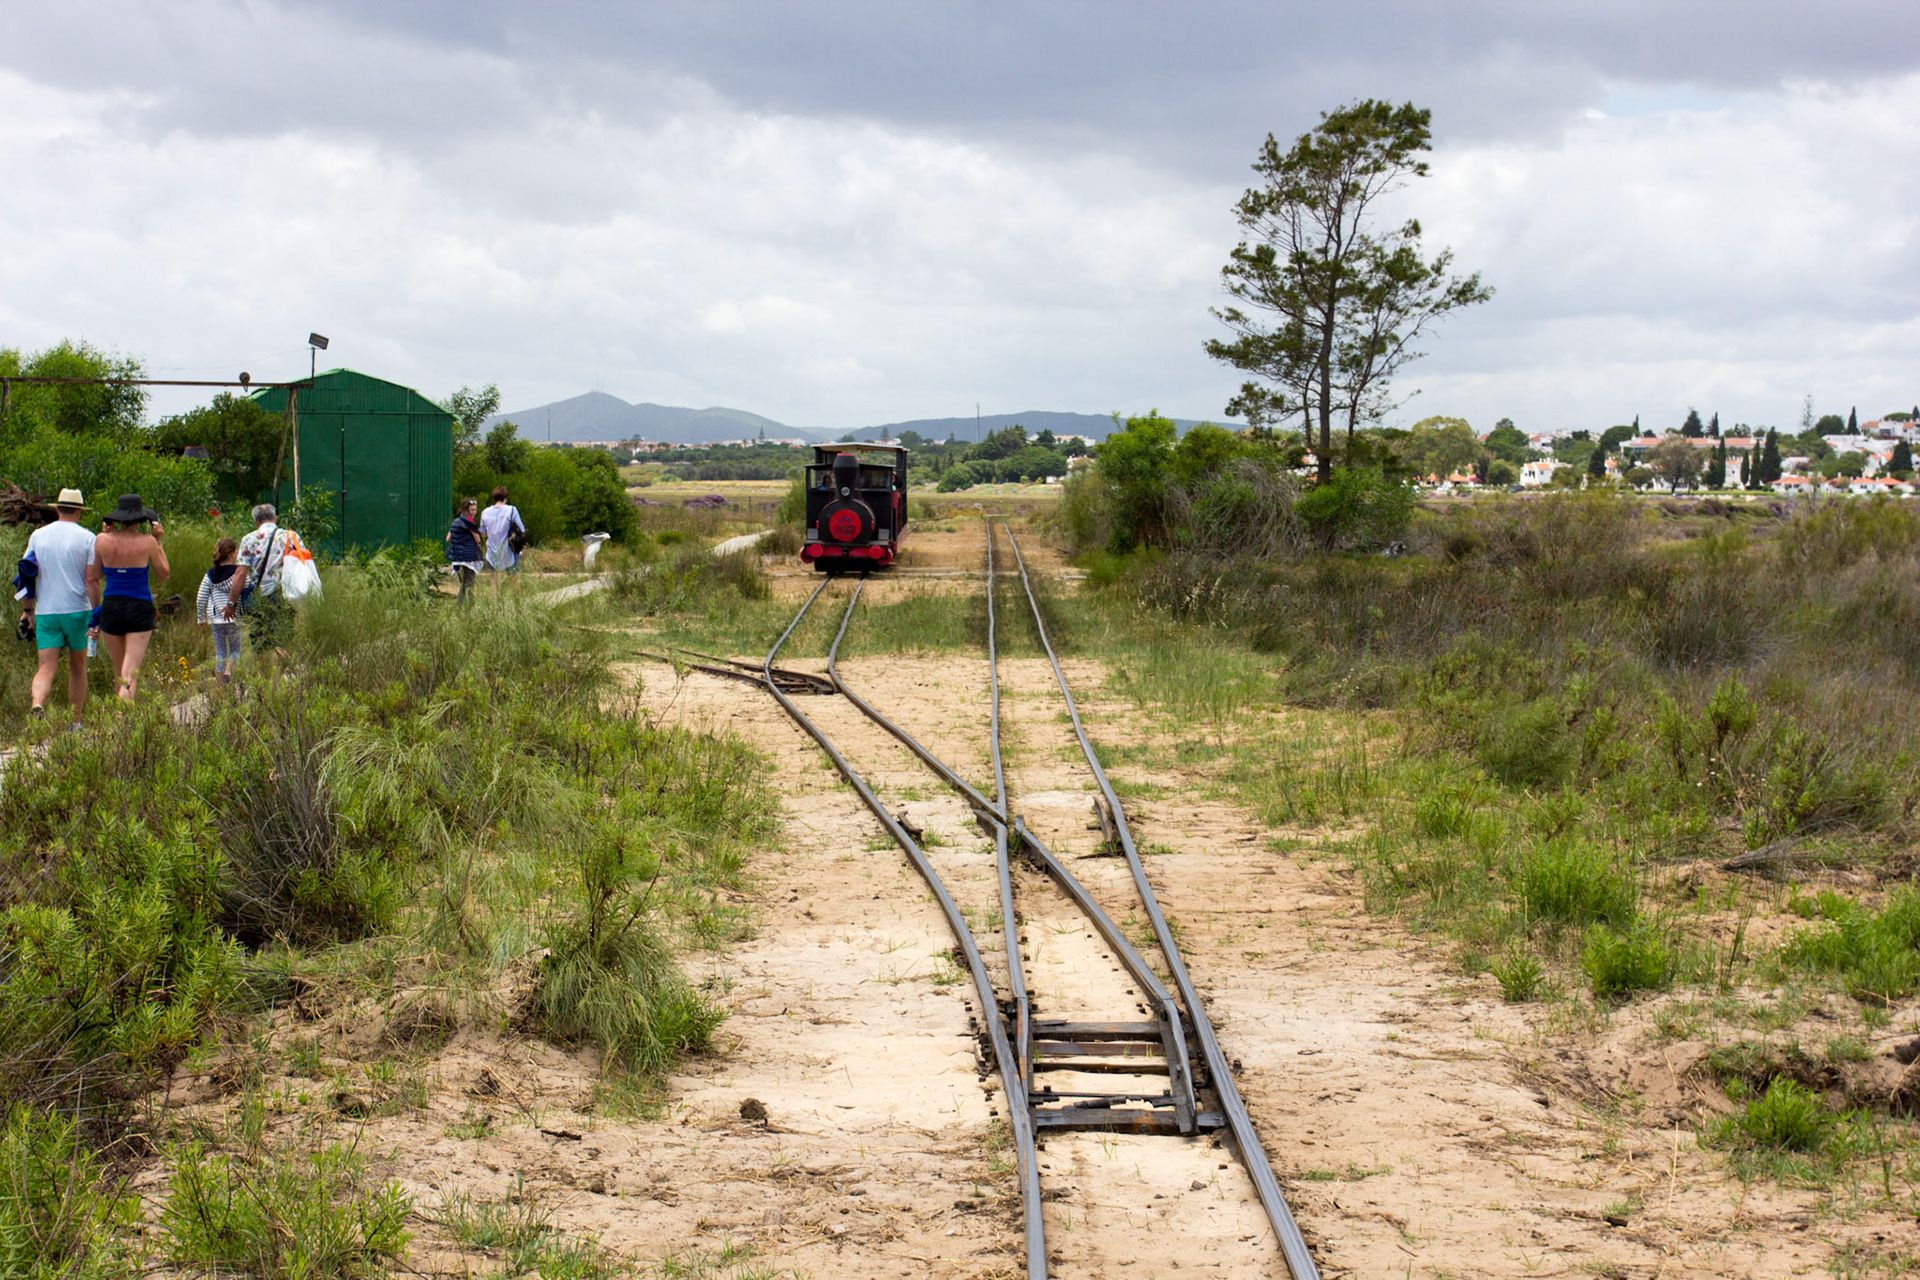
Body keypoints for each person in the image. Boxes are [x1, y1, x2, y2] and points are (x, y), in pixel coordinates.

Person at [23, 488, 99, 725]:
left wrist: (27, 611)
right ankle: (75, 723)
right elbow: (91, 580)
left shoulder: (38, 536)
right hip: (77, 609)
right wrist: (97, 613)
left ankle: (37, 703)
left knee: (45, 667)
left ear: (57, 509)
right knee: (78, 667)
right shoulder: (88, 537)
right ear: (79, 511)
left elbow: (26, 574)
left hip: (47, 611)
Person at [86, 494, 169, 702]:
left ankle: (118, 722)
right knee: (130, 670)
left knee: (119, 668)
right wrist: (159, 542)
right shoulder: (148, 542)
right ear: (141, 519)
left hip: (112, 605)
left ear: (118, 519)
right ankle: (123, 719)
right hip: (139, 605)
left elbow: (97, 574)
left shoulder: (101, 540)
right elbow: (164, 574)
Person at [234, 503, 302, 676]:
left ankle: (265, 683)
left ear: (256, 521)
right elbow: (301, 564)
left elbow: (241, 573)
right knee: (282, 640)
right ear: (275, 518)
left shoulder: (248, 539)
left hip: (257, 597)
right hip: (283, 595)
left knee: (260, 644)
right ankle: (279, 682)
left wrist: (231, 601)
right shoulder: (290, 536)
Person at [196, 536, 243, 685]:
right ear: (231, 554)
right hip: (234, 618)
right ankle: (229, 671)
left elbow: (201, 597)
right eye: (236, 551)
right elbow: (248, 587)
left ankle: (221, 689)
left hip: (216, 619)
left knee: (220, 652)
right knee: (235, 649)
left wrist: (201, 618)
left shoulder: (210, 574)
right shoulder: (239, 574)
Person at [478, 486, 525, 588]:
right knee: (514, 578)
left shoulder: (485, 512)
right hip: (509, 549)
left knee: (494, 579)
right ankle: (516, 602)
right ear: (505, 497)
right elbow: (522, 529)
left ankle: (494, 603)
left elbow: (482, 532)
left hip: (492, 549)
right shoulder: (511, 510)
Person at [445, 497, 485, 603]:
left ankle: (461, 607)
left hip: (457, 558)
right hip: (469, 557)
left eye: (475, 509)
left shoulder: (456, 522)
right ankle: (468, 607)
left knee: (463, 583)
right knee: (469, 584)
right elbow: (478, 540)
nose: (474, 512)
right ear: (465, 510)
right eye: (472, 510)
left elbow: (448, 538)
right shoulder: (469, 522)